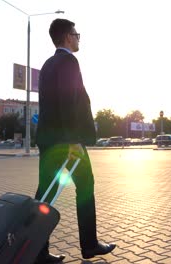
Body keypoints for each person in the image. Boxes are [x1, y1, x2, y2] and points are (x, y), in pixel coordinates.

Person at [34, 18, 116, 264]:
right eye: (77, 34)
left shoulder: (48, 63)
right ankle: (89, 245)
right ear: (68, 37)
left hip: (49, 141)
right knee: (86, 186)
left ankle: (38, 250)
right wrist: (72, 140)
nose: (78, 38)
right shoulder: (69, 61)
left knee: (45, 195)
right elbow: (68, 101)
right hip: (67, 143)